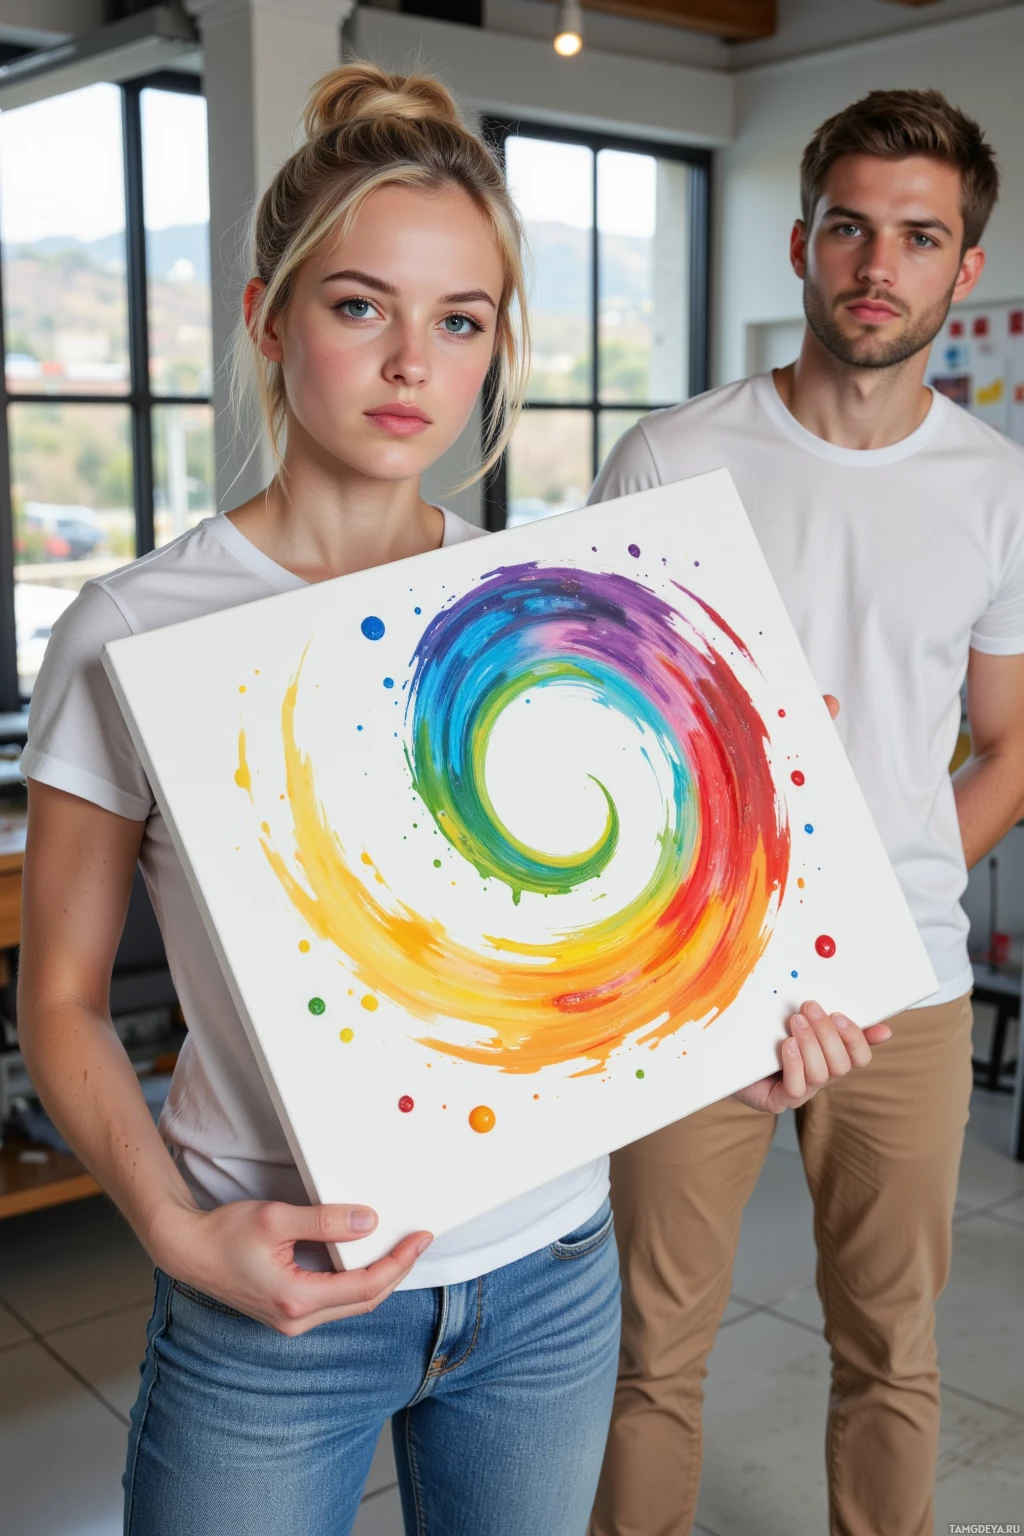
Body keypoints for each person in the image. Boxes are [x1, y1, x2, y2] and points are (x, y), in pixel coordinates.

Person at [17, 65, 879, 1536]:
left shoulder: (566, 606)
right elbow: (63, 999)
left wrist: (711, 1038)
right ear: (267, 317)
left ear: (494, 346)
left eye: (460, 320)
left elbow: (567, 959)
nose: (412, 360)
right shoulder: (135, 626)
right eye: (362, 306)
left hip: (548, 1273)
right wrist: (177, 1233)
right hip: (270, 1303)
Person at [587, 88, 1024, 1536]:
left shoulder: (997, 491)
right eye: (851, 228)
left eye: (919, 237)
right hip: (693, 981)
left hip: (901, 981)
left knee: (890, 1355)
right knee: (649, 1359)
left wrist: (857, 907)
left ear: (965, 269)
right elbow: (608, 735)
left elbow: (1010, 744)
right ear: (801, 241)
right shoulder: (669, 460)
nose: (876, 266)